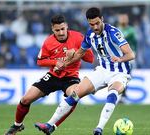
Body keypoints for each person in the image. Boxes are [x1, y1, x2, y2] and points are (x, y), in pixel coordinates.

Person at [35, 7, 135, 135]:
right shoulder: (90, 34)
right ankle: (49, 125)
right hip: (103, 70)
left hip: (120, 72)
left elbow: (131, 54)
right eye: (91, 24)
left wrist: (120, 59)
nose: (95, 27)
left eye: (97, 23)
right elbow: (79, 54)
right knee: (75, 94)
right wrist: (63, 64)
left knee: (113, 93)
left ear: (102, 20)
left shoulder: (113, 33)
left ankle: (99, 128)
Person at [4, 14, 94, 135]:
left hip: (70, 77)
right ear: (52, 29)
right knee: (25, 99)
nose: (61, 33)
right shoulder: (49, 42)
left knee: (74, 97)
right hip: (53, 76)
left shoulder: (78, 37)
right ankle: (17, 125)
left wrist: (77, 52)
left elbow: (91, 59)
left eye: (63, 29)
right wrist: (55, 62)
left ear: (66, 26)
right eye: (57, 30)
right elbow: (40, 61)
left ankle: (52, 126)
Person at [117, 13, 137, 103]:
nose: (123, 20)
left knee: (125, 76)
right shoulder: (116, 30)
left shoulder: (131, 30)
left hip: (128, 57)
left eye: (125, 18)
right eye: (122, 18)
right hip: (118, 57)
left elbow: (133, 42)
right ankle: (119, 94)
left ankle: (123, 95)